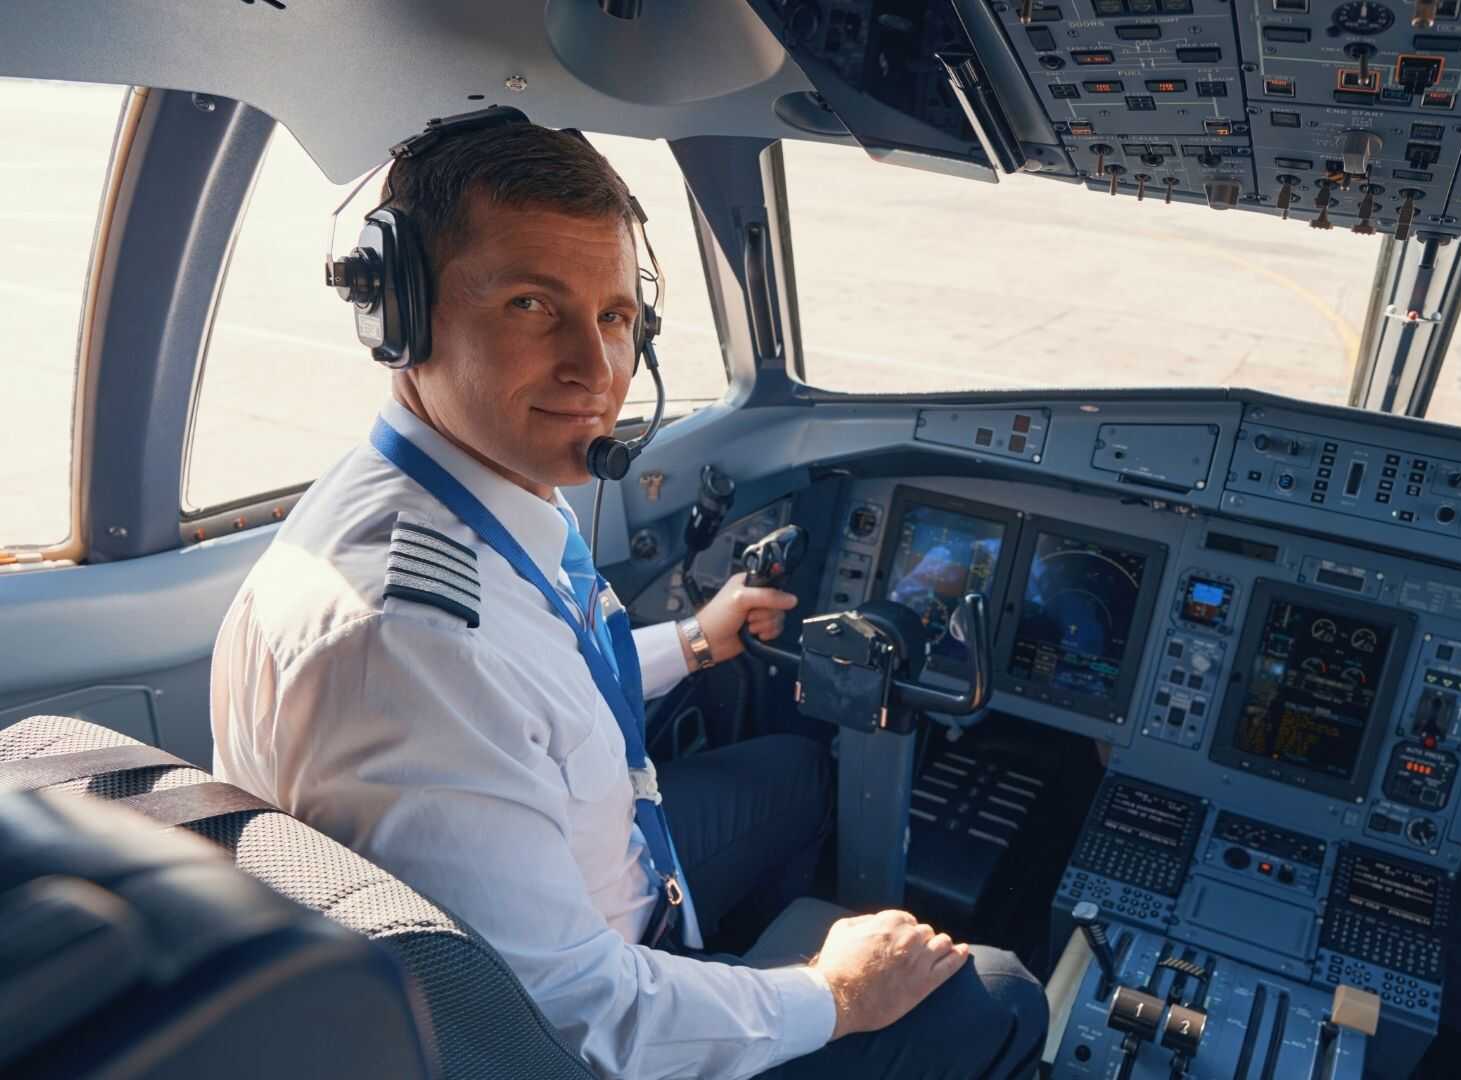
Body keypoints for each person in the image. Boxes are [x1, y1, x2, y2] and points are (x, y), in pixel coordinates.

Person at [209, 114, 1046, 1079]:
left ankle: (724, 963)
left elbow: (539, 684)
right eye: (533, 305)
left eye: (614, 316)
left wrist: (694, 639)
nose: (597, 371)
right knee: (1000, 994)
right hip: (563, 1035)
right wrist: (834, 994)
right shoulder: (411, 645)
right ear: (400, 314)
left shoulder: (465, 490)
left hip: (591, 885)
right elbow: (569, 1017)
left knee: (800, 774)